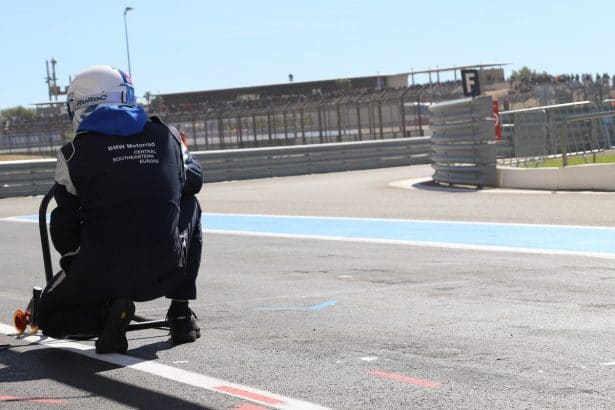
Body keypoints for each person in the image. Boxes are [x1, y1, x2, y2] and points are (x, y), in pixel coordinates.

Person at [37, 65, 203, 354]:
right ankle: (180, 312)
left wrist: (77, 269)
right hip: (165, 272)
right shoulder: (169, 136)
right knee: (190, 203)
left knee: (48, 318)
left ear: (79, 104)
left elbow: (64, 227)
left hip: (99, 277)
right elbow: (195, 181)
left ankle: (106, 313)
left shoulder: (71, 153)